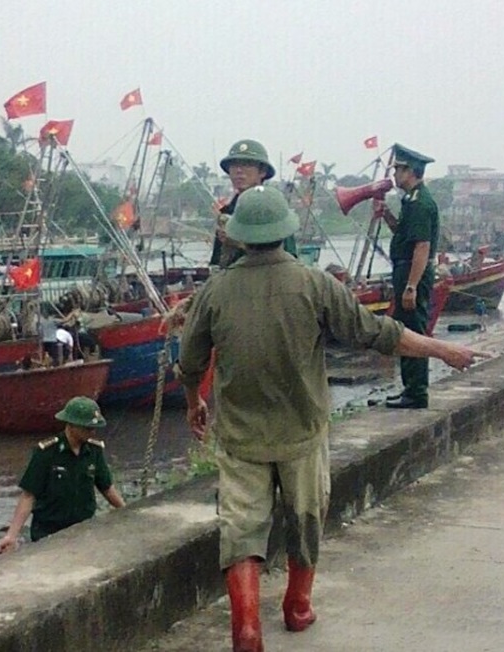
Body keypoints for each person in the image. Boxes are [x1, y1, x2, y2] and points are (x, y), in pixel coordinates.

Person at [177, 185, 484, 649]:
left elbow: (191, 362)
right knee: (306, 519)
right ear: (284, 233)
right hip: (301, 433)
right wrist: (442, 349)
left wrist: (192, 402)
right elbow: (378, 333)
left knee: (241, 530)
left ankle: (246, 626)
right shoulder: (314, 283)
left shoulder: (215, 291)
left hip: (240, 436)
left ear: (238, 237)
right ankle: (297, 607)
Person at [0, 396, 125, 554]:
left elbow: (107, 488)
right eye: (87, 428)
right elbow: (29, 496)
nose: (93, 432)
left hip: (84, 530)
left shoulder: (94, 451)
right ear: (71, 425)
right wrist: (12, 535)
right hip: (48, 533)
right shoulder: (46, 452)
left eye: (94, 428)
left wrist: (127, 512)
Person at [374, 144, 440, 409]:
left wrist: (411, 285)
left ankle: (416, 392)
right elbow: (404, 234)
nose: (396, 174)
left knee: (413, 330)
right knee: (406, 328)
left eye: (399, 169)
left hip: (413, 271)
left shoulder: (420, 203)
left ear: (410, 171)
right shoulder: (411, 200)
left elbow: (421, 247)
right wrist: (386, 214)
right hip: (405, 268)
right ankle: (409, 388)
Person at [211, 139, 297, 269]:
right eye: (234, 165)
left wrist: (239, 242)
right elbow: (217, 264)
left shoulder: (275, 209)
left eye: (247, 164)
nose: (239, 170)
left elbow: (290, 260)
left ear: (262, 171)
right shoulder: (227, 214)